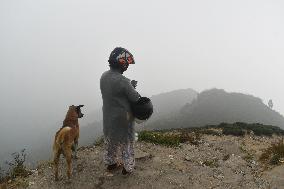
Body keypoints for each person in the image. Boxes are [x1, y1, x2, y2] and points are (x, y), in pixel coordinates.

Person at [100, 47, 140, 175]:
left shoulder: (104, 76)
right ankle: (128, 168)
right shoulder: (124, 81)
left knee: (111, 141)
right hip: (124, 118)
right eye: (126, 63)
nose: (127, 66)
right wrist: (132, 86)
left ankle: (110, 163)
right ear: (121, 63)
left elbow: (114, 93)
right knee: (126, 143)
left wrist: (129, 86)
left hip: (108, 117)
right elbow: (135, 97)